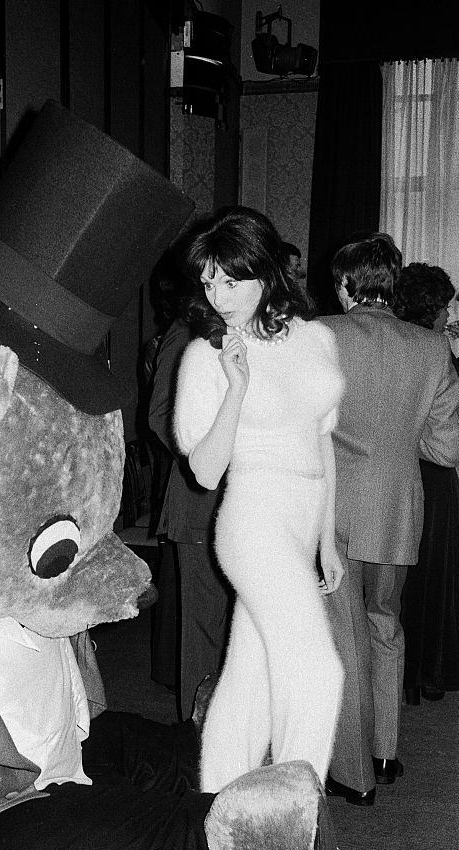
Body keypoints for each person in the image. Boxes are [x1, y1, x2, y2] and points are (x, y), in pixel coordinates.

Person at [173, 206, 345, 794]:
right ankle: (296, 824)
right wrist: (236, 389)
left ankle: (218, 811)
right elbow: (204, 469)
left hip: (301, 524)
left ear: (267, 271)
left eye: (231, 279)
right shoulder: (206, 356)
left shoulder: (316, 339)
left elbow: (322, 442)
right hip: (253, 522)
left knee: (249, 682)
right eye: (209, 282)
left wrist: (326, 539)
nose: (218, 295)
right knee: (320, 673)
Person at [321, 235, 459, 806]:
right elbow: (448, 448)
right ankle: (385, 750)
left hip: (337, 510)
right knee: (386, 625)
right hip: (400, 508)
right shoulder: (431, 350)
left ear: (346, 284)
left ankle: (352, 775)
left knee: (342, 636)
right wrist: (400, 441)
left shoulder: (321, 336)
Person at [147, 236, 234, 721]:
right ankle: (198, 743)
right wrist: (212, 452)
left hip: (247, 504)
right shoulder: (185, 337)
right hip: (201, 501)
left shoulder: (244, 332)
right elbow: (161, 417)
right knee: (202, 629)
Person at [392, 263, 459, 704]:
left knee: (404, 581)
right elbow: (449, 439)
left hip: (399, 472)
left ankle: (405, 676)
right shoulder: (437, 351)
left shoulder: (396, 346)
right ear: (432, 309)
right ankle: (425, 674)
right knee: (432, 578)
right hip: (433, 479)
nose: (449, 316)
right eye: (446, 307)